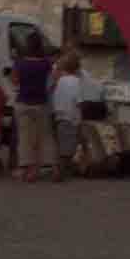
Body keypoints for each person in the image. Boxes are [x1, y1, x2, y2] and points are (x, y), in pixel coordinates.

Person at [13, 30, 54, 183]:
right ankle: (36, 170)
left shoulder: (20, 62)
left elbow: (15, 80)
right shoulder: (46, 63)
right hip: (40, 103)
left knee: (24, 138)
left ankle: (25, 169)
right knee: (40, 137)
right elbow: (51, 81)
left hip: (22, 102)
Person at [52, 50, 83, 181]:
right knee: (68, 147)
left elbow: (56, 95)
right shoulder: (77, 82)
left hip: (59, 115)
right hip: (71, 117)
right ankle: (61, 171)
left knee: (62, 144)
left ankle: (62, 169)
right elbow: (79, 101)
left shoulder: (61, 80)